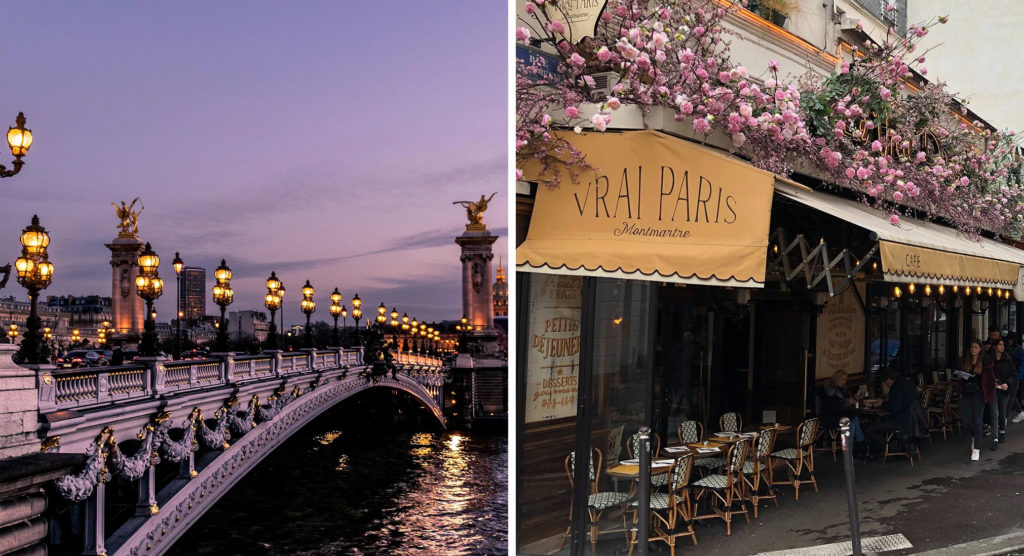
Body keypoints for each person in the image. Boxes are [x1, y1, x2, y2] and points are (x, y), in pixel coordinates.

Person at [865, 369, 923, 458]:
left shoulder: (896, 387)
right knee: (882, 422)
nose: (885, 384)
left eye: (885, 381)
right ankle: (898, 446)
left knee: (869, 429)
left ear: (889, 379)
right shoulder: (908, 383)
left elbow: (895, 408)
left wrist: (882, 404)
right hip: (912, 421)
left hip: (901, 421)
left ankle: (893, 449)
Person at [958, 339, 991, 462]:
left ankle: (976, 448)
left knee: (978, 420)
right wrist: (961, 375)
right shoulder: (966, 360)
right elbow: (962, 377)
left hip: (979, 394)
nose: (973, 349)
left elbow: (989, 377)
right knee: (966, 421)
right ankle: (974, 436)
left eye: (976, 347)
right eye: (972, 347)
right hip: (967, 393)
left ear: (980, 349)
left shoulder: (985, 361)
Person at [819, 369, 866, 450]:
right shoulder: (830, 392)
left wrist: (851, 401)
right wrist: (847, 402)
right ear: (837, 379)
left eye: (845, 380)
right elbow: (833, 408)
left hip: (838, 415)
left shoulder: (842, 389)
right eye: (843, 379)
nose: (845, 382)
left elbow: (842, 405)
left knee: (854, 418)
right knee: (850, 422)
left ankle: (860, 444)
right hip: (829, 418)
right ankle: (847, 448)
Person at [986, 338, 1016, 450]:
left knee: (1002, 413)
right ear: (994, 347)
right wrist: (991, 383)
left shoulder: (1008, 359)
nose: (1002, 346)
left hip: (1004, 389)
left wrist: (1007, 383)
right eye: (999, 344)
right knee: (994, 413)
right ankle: (995, 438)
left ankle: (1002, 431)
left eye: (1003, 344)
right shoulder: (989, 359)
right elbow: (986, 373)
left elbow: (1013, 374)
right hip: (993, 389)